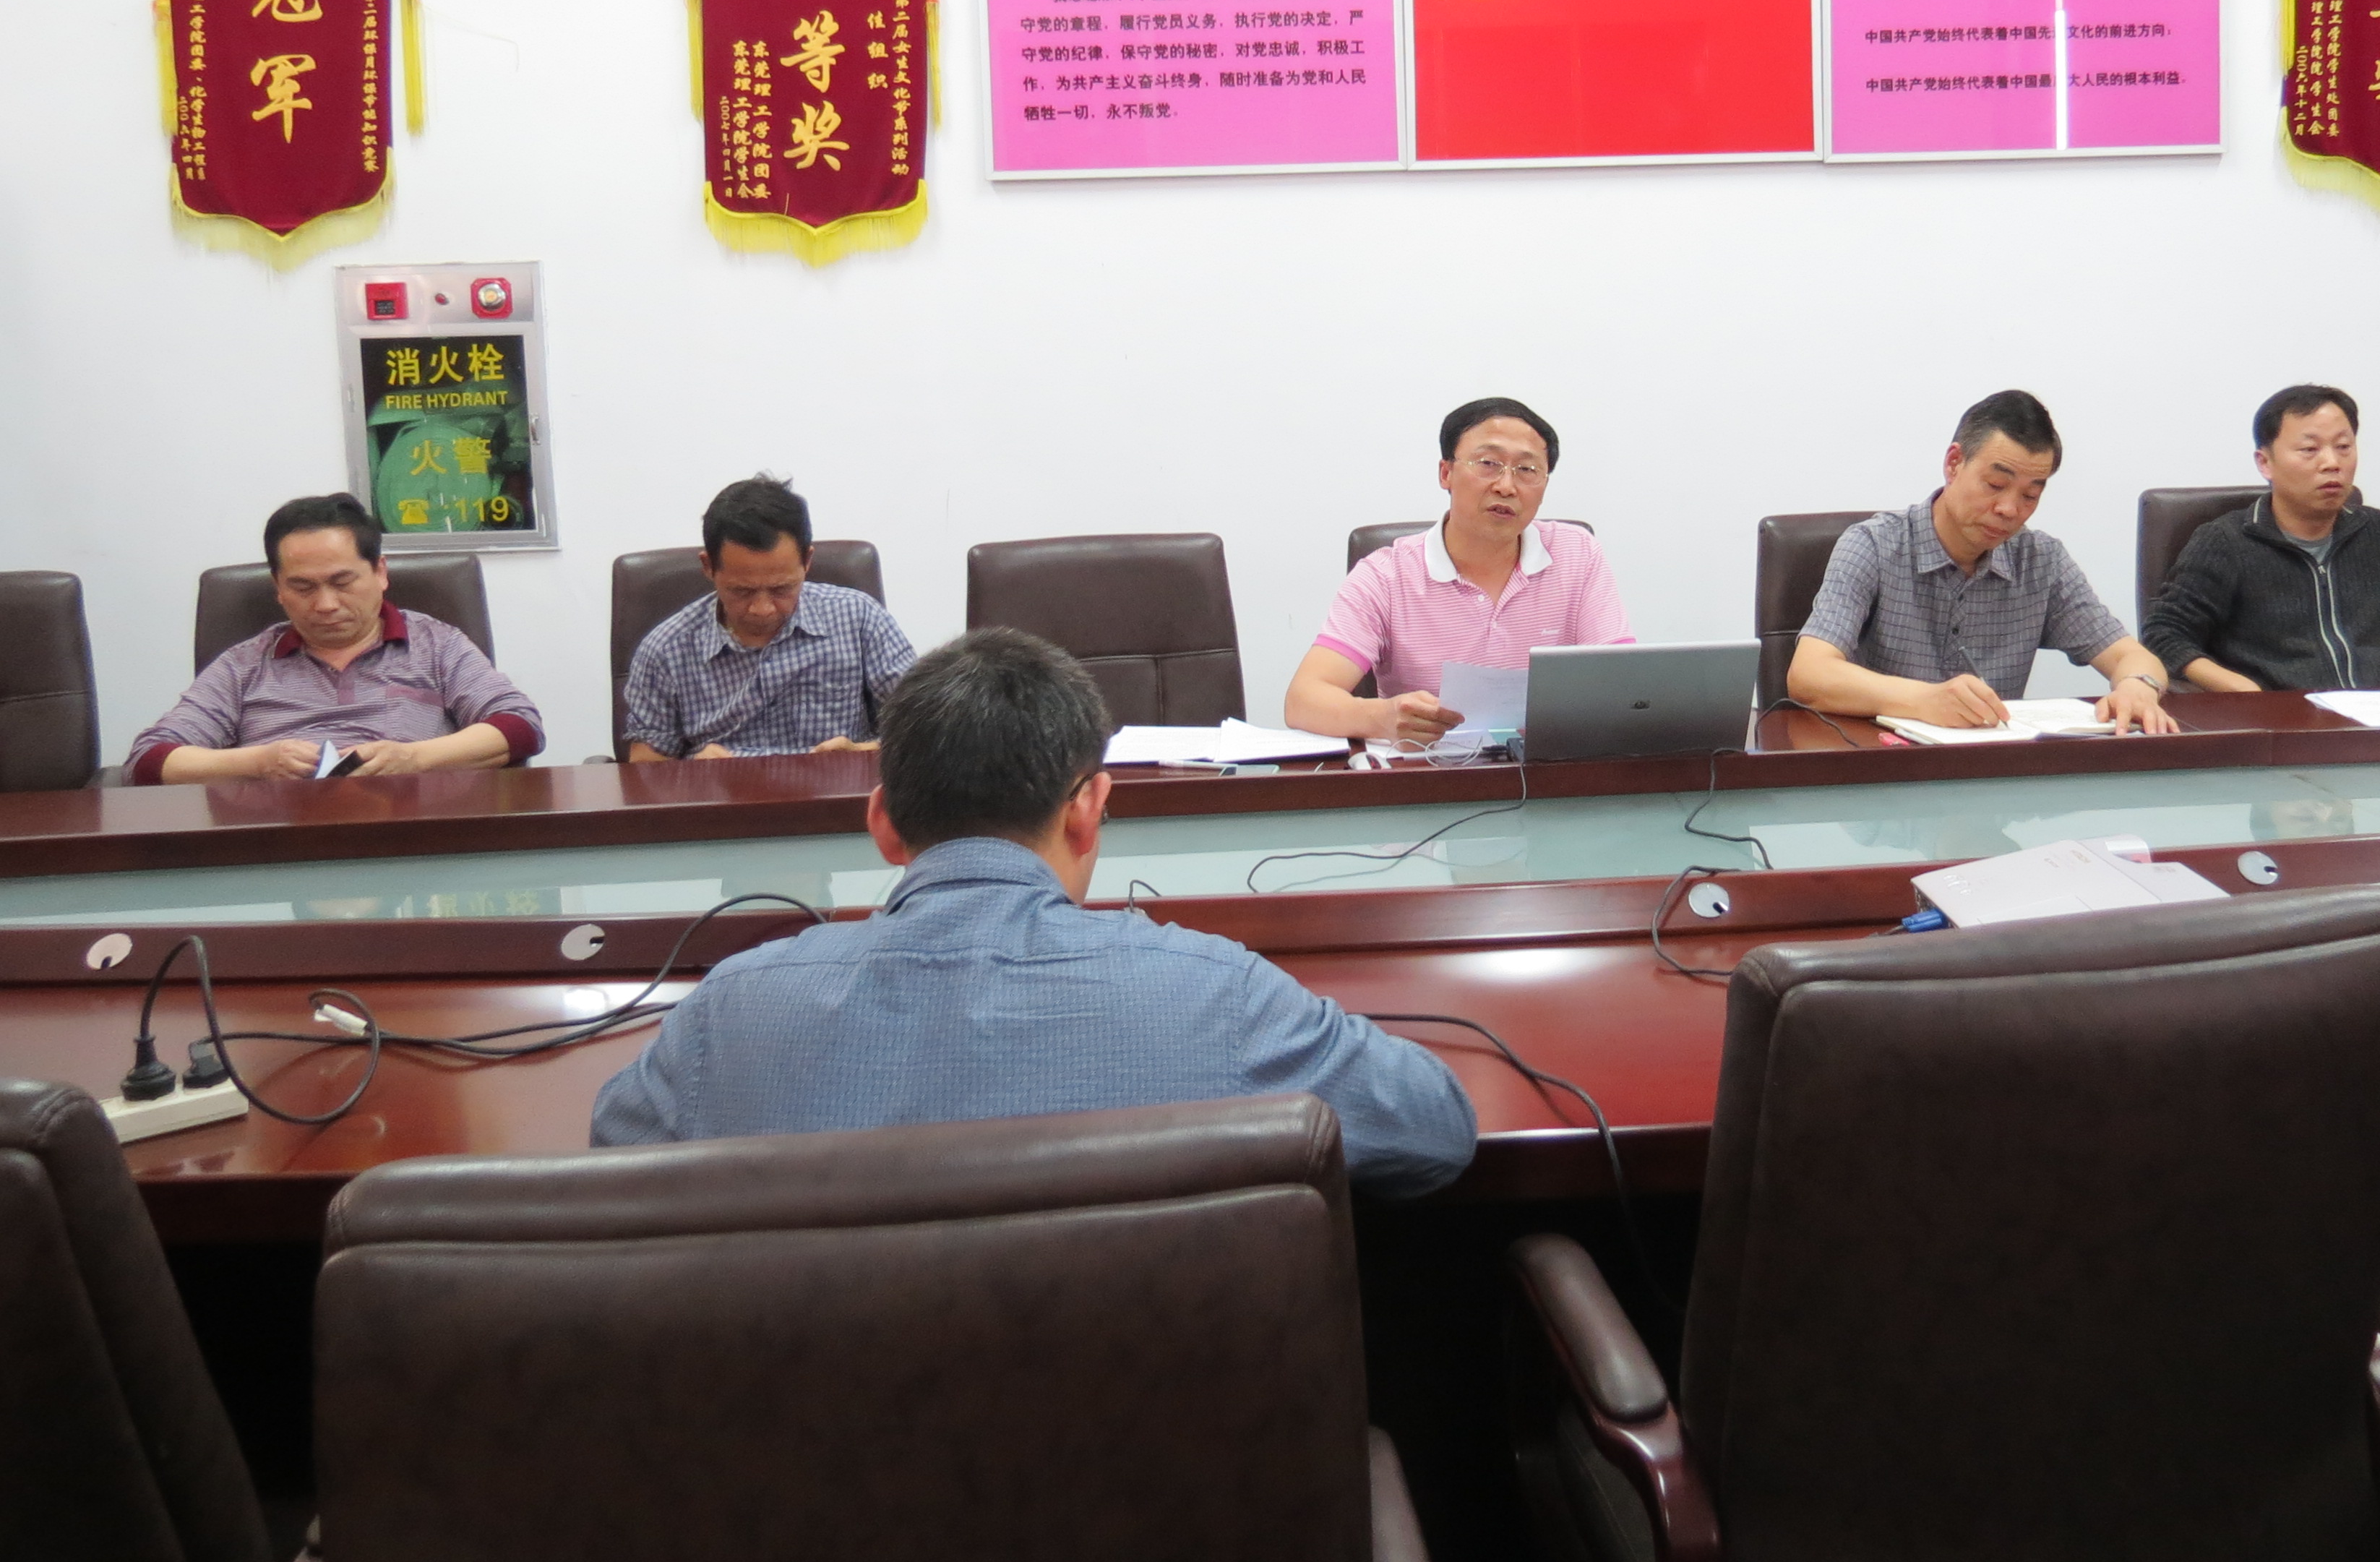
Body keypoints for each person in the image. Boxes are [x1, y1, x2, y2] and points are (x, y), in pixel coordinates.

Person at [592, 628, 1479, 1197]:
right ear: (1089, 810)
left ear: (884, 825)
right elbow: (1434, 1129)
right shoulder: (1218, 996)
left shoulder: (729, 1014)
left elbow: (611, 1161)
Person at [1787, 390, 2175, 734]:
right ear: (1954, 463)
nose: (2009, 509)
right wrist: (1924, 700)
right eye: (1995, 485)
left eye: (2030, 495)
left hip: (1990, 772)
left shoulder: (2041, 561)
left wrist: (2138, 686)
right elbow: (1809, 674)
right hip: (1880, 764)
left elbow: (2132, 656)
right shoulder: (1873, 545)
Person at [1284, 397, 1631, 747]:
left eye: (1527, 470)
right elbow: (1303, 700)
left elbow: (1625, 683)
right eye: (1488, 463)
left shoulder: (1577, 554)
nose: (1506, 486)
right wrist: (1383, 718)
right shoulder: (1385, 576)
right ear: (1446, 473)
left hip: (1549, 767)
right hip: (1430, 769)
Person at [126, 494, 542, 784]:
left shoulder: (436, 644)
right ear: (278, 588)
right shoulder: (244, 665)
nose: (326, 605)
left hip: (411, 832)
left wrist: (414, 758)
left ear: (380, 573)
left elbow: (519, 726)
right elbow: (149, 760)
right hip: (284, 840)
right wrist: (256, 763)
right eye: (303, 587)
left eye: (343, 582)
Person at [2141, 385, 2380, 692]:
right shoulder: (2227, 541)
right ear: (2265, 463)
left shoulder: (2377, 531)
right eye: (2309, 450)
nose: (2332, 463)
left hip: (2376, 711)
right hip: (2277, 714)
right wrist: (2244, 692)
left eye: (2343, 447)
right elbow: (2166, 635)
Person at [622, 474, 915, 760]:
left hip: (838, 789)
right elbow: (645, 762)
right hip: (721, 790)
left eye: (781, 589)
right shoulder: (666, 650)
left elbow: (922, 726)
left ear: (807, 562)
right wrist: (692, 773)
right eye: (742, 591)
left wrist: (860, 754)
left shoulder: (858, 618)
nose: (762, 609)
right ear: (708, 566)